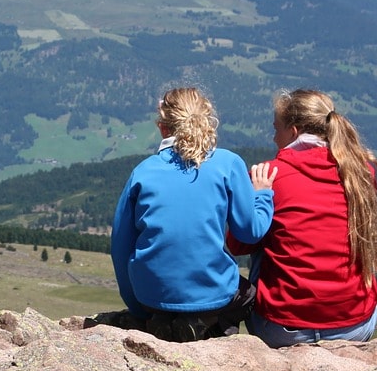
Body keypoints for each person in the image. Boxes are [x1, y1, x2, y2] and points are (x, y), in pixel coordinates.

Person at [111, 87, 276, 341]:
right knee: (249, 294)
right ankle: (210, 326)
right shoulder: (228, 164)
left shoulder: (142, 172)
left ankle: (168, 321)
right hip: (212, 295)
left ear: (163, 128)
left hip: (151, 297)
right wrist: (262, 195)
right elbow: (250, 232)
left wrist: (137, 307)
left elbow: (120, 247)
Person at [228, 88, 377, 347]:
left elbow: (236, 244)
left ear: (294, 131)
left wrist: (259, 198)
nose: (273, 136)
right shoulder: (361, 173)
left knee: (262, 244)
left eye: (276, 128)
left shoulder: (269, 175)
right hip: (354, 326)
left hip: (281, 329)